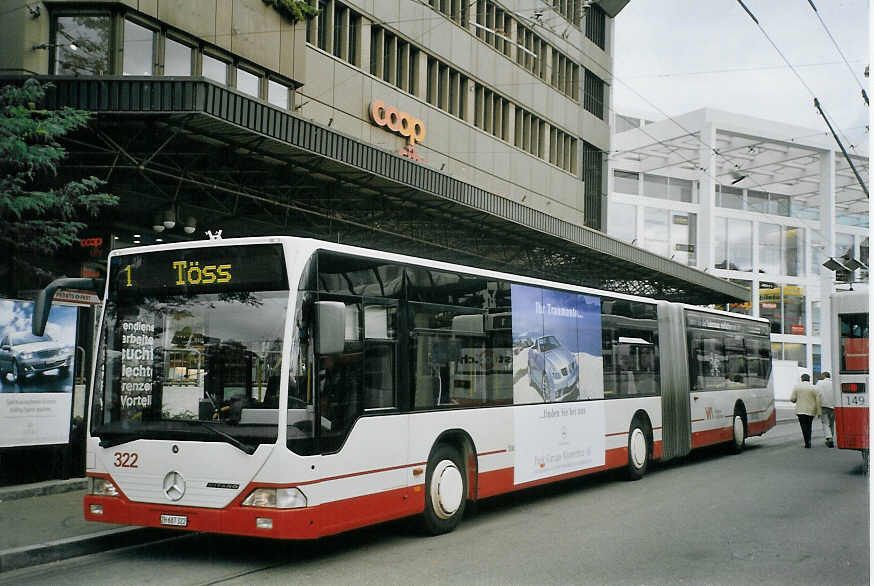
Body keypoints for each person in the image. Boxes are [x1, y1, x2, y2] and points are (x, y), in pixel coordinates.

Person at [790, 373, 821, 449]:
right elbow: (818, 400)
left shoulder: (797, 387)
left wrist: (796, 400)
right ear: (809, 379)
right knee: (809, 425)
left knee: (803, 426)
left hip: (800, 410)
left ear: (802, 379)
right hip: (811, 410)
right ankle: (809, 440)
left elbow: (792, 399)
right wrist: (819, 411)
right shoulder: (814, 388)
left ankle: (806, 442)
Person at [815, 371, 835, 448]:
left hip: (823, 406)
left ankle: (829, 438)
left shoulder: (819, 383)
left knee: (825, 423)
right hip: (833, 407)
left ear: (824, 376)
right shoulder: (833, 383)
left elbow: (816, 394)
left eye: (822, 375)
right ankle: (831, 438)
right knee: (831, 423)